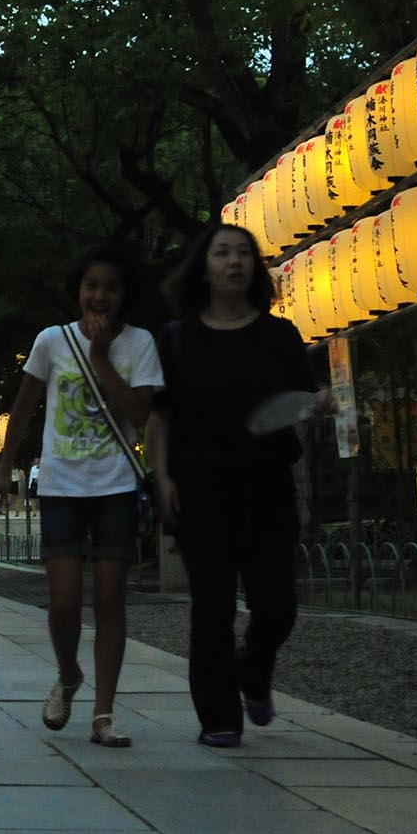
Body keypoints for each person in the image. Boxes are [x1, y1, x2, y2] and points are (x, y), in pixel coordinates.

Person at [144, 223, 328, 748]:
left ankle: (255, 666)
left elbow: (303, 399)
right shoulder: (177, 338)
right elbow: (160, 417)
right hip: (200, 486)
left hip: (267, 484)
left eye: (244, 253)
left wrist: (321, 404)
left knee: (277, 605)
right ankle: (219, 715)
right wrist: (162, 478)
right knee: (213, 606)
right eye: (222, 252)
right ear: (204, 265)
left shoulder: (279, 335)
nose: (234, 261)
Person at [0, 242, 162, 748]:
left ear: (124, 295)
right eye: (92, 286)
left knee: (110, 598)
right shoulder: (51, 341)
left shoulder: (140, 344)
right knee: (64, 600)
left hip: (115, 487)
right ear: (78, 292)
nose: (100, 296)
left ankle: (104, 713)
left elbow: (141, 412)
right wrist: (3, 470)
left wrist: (103, 358)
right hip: (62, 486)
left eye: (111, 287)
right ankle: (68, 675)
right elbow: (23, 408)